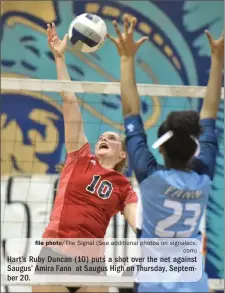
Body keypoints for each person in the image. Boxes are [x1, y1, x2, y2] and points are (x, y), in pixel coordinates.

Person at [108, 15, 223, 292]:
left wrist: (126, 59)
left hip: (153, 286)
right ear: (194, 147)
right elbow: (209, 114)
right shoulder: (203, 175)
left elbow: (130, 111)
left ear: (163, 149)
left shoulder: (150, 176)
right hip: (193, 286)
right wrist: (219, 60)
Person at [32, 23, 138, 293]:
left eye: (112, 138)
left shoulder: (123, 187)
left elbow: (136, 220)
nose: (104, 139)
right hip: (55, 255)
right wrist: (59, 58)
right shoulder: (80, 156)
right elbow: (69, 101)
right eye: (103, 136)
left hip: (91, 264)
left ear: (122, 154)